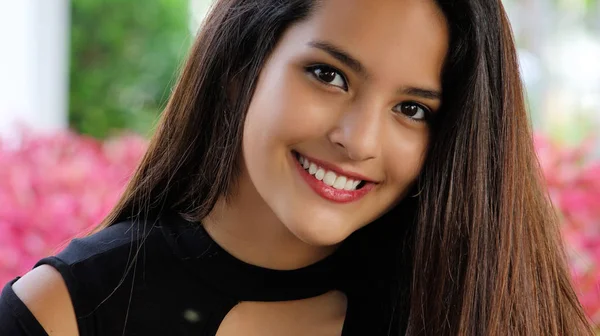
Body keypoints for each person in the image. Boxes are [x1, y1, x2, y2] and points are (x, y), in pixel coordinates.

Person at [0, 0, 594, 335]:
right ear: (240, 71)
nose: (357, 140)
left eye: (411, 110)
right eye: (328, 75)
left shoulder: (469, 309)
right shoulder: (70, 311)